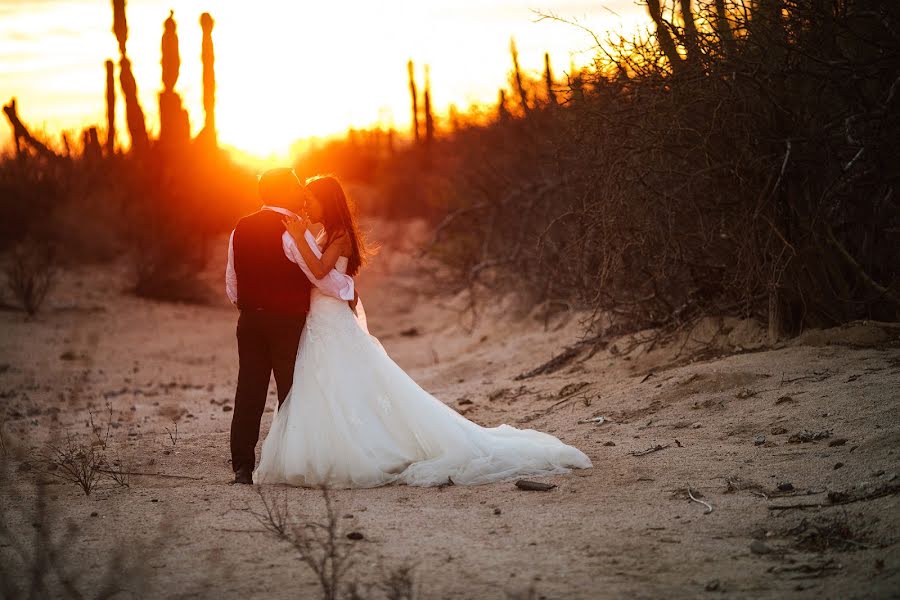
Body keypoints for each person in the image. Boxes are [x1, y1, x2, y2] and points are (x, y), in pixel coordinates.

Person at [252, 175, 592, 487]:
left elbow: (321, 274)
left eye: (311, 198)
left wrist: (298, 238)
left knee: (345, 382)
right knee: (325, 384)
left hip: (331, 319)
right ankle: (323, 450)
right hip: (319, 319)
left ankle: (363, 451)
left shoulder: (338, 236)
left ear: (328, 201)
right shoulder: (322, 234)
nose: (306, 204)